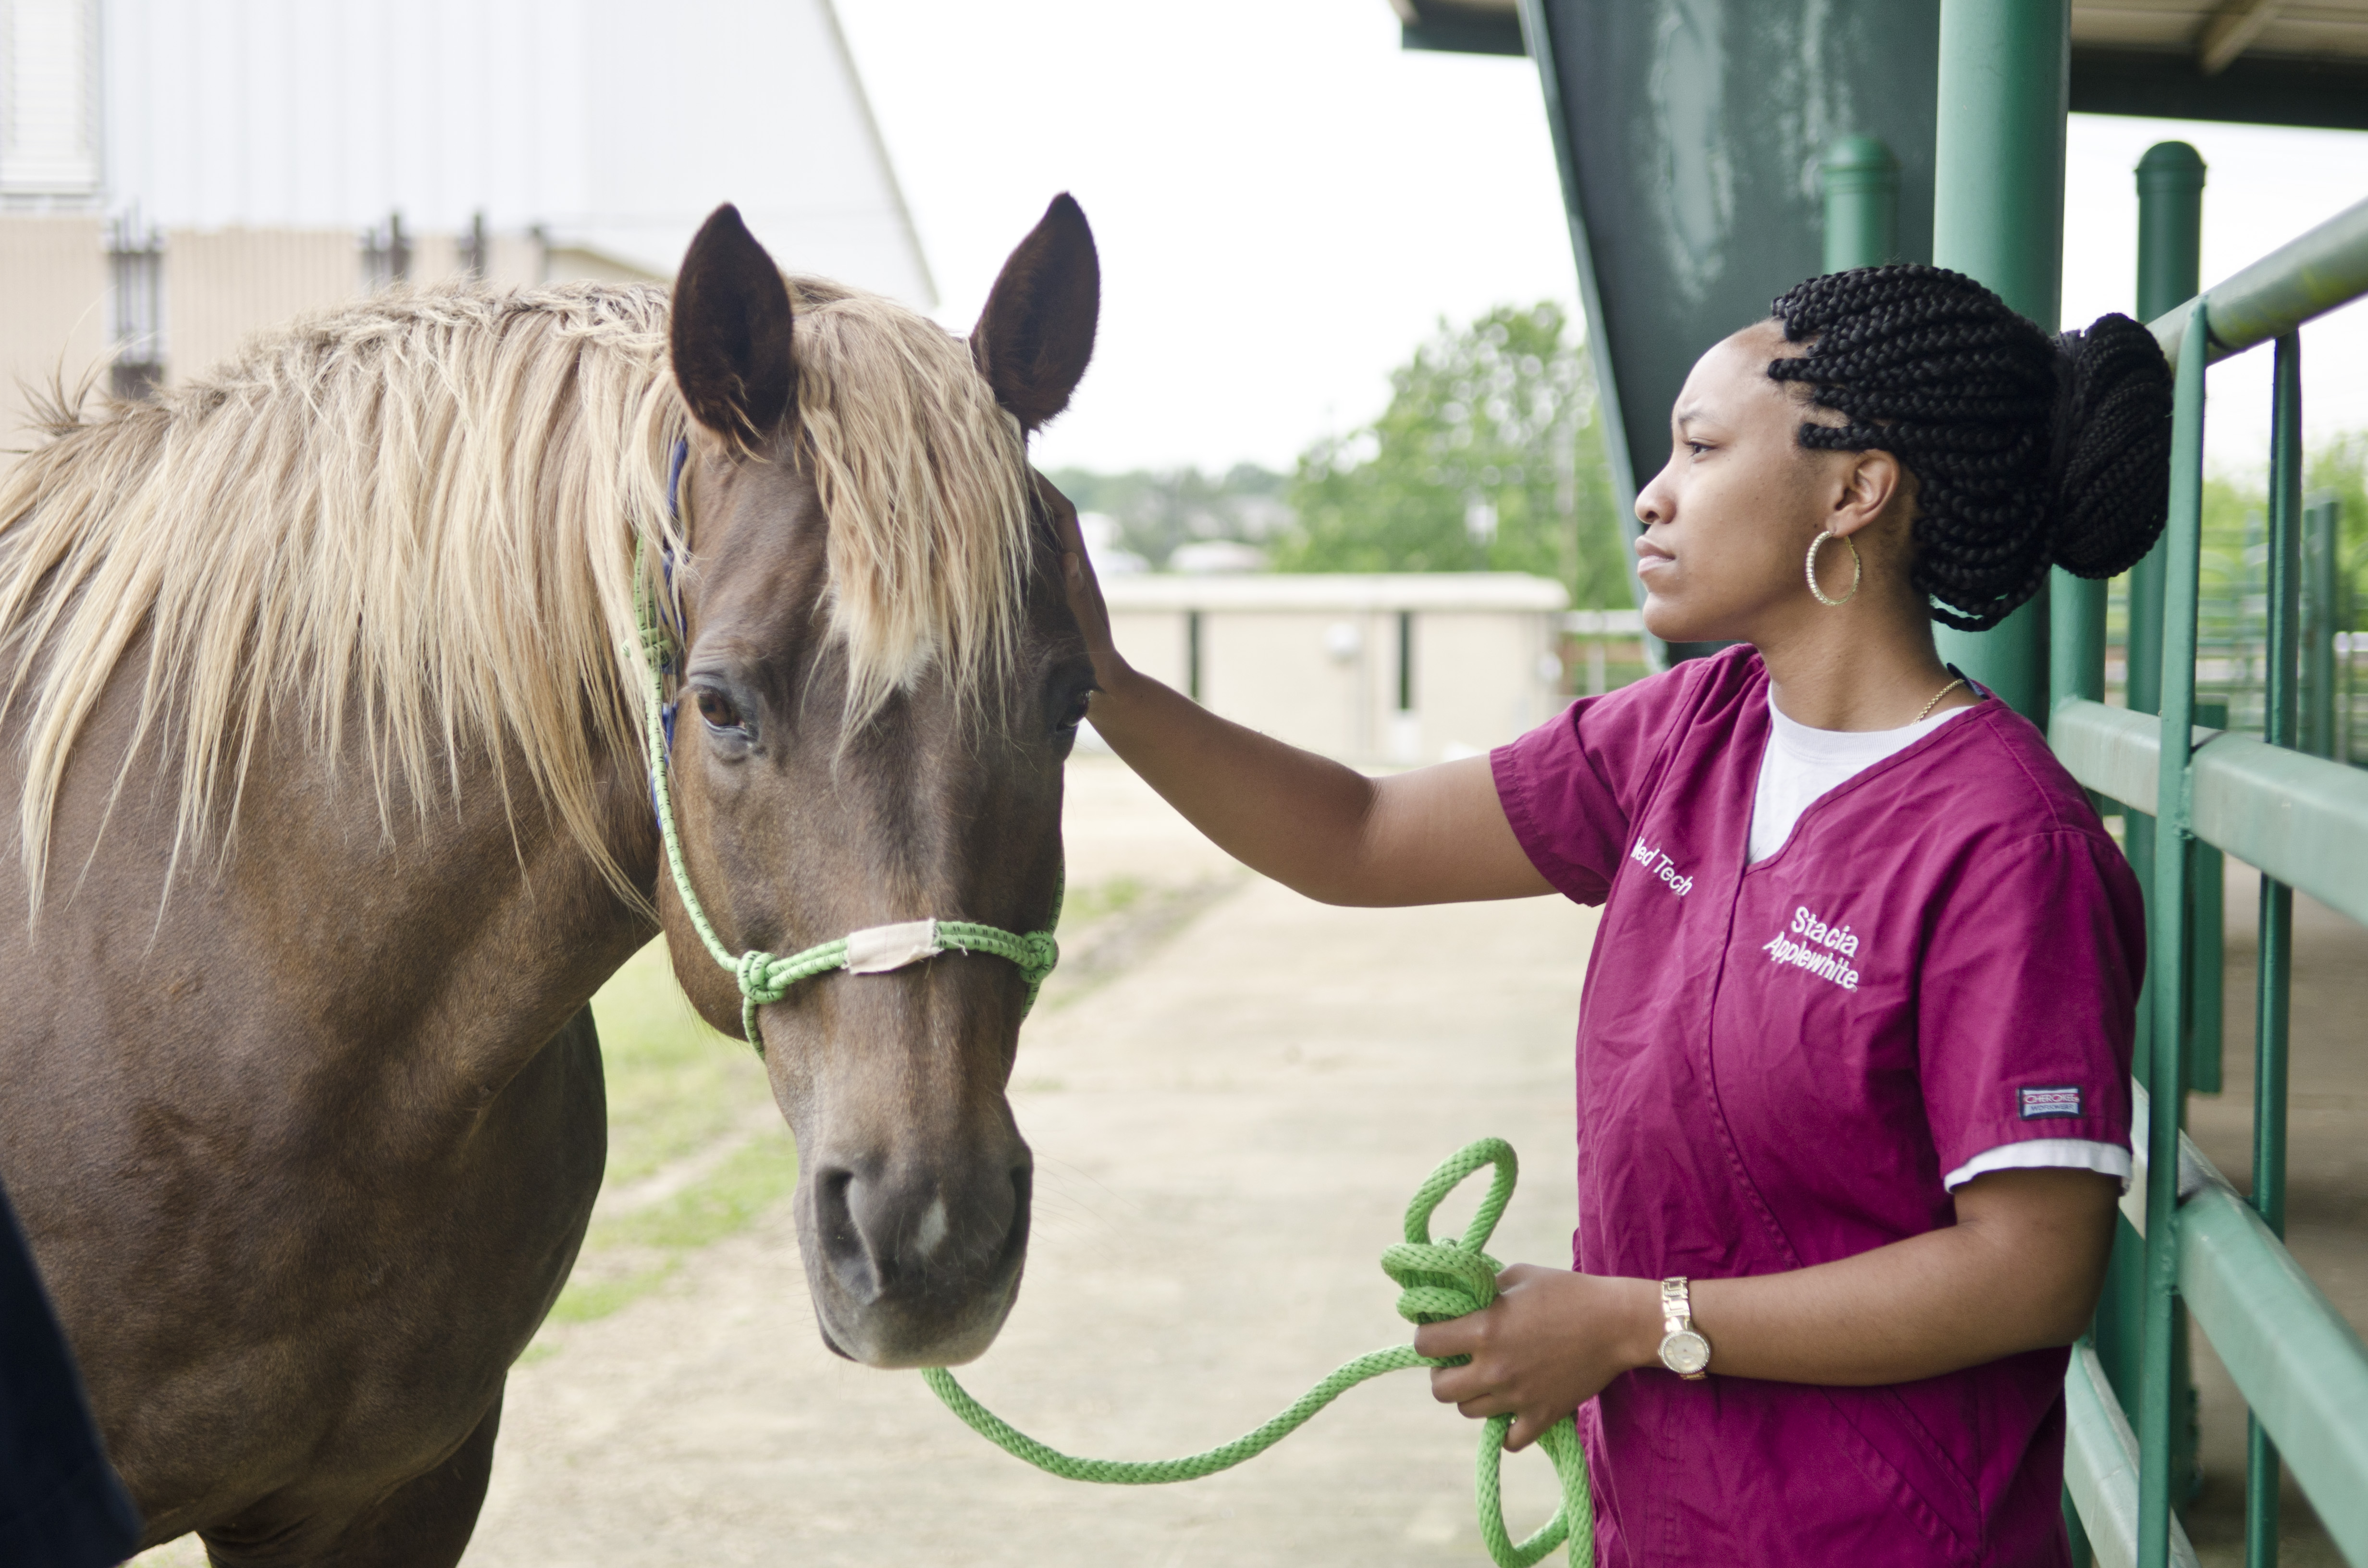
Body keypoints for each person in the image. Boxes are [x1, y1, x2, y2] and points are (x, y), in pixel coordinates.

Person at [1049, 263, 2171, 1565]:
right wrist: (1105, 684)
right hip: (1665, 1522)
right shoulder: (1688, 734)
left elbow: (2030, 1271)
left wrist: (1637, 1322)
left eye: (1701, 448)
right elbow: (1354, 837)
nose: (1656, 493)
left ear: (1856, 491)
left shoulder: (2005, 846)